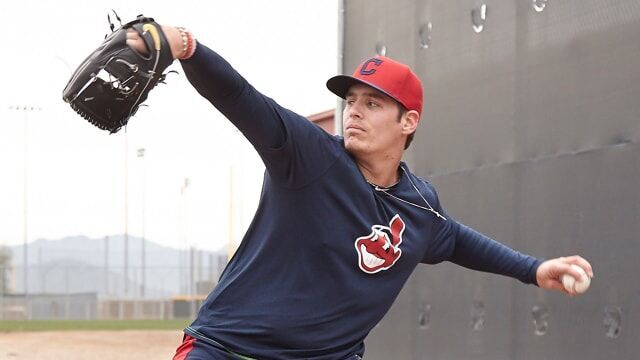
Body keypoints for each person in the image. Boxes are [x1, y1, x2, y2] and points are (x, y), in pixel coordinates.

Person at [127, 26, 594, 360]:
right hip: (229, 348)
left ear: (408, 122)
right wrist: (185, 46)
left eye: (373, 103)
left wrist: (535, 270)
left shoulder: (418, 204)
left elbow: (457, 240)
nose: (354, 111)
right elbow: (243, 99)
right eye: (351, 100)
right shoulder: (311, 157)